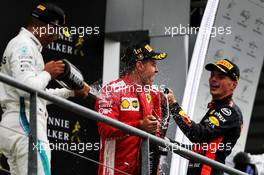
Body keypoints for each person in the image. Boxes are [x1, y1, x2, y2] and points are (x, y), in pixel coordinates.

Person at [0, 3, 90, 175]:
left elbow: (37, 96)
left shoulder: (27, 46)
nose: (55, 38)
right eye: (56, 31)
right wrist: (47, 73)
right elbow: (26, 89)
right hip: (25, 124)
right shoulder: (24, 45)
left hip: (19, 123)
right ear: (45, 27)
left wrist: (71, 92)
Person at [95, 43, 167, 175]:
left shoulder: (154, 95)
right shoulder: (112, 90)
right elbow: (105, 129)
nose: (157, 70)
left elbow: (157, 136)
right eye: (153, 64)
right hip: (115, 171)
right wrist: (139, 126)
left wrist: (157, 166)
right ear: (139, 66)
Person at [168, 59, 243, 175]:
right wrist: (167, 142)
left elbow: (197, 134)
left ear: (233, 85)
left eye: (221, 77)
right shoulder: (218, 108)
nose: (213, 79)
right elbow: (197, 151)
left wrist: (173, 105)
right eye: (212, 75)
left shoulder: (229, 111)